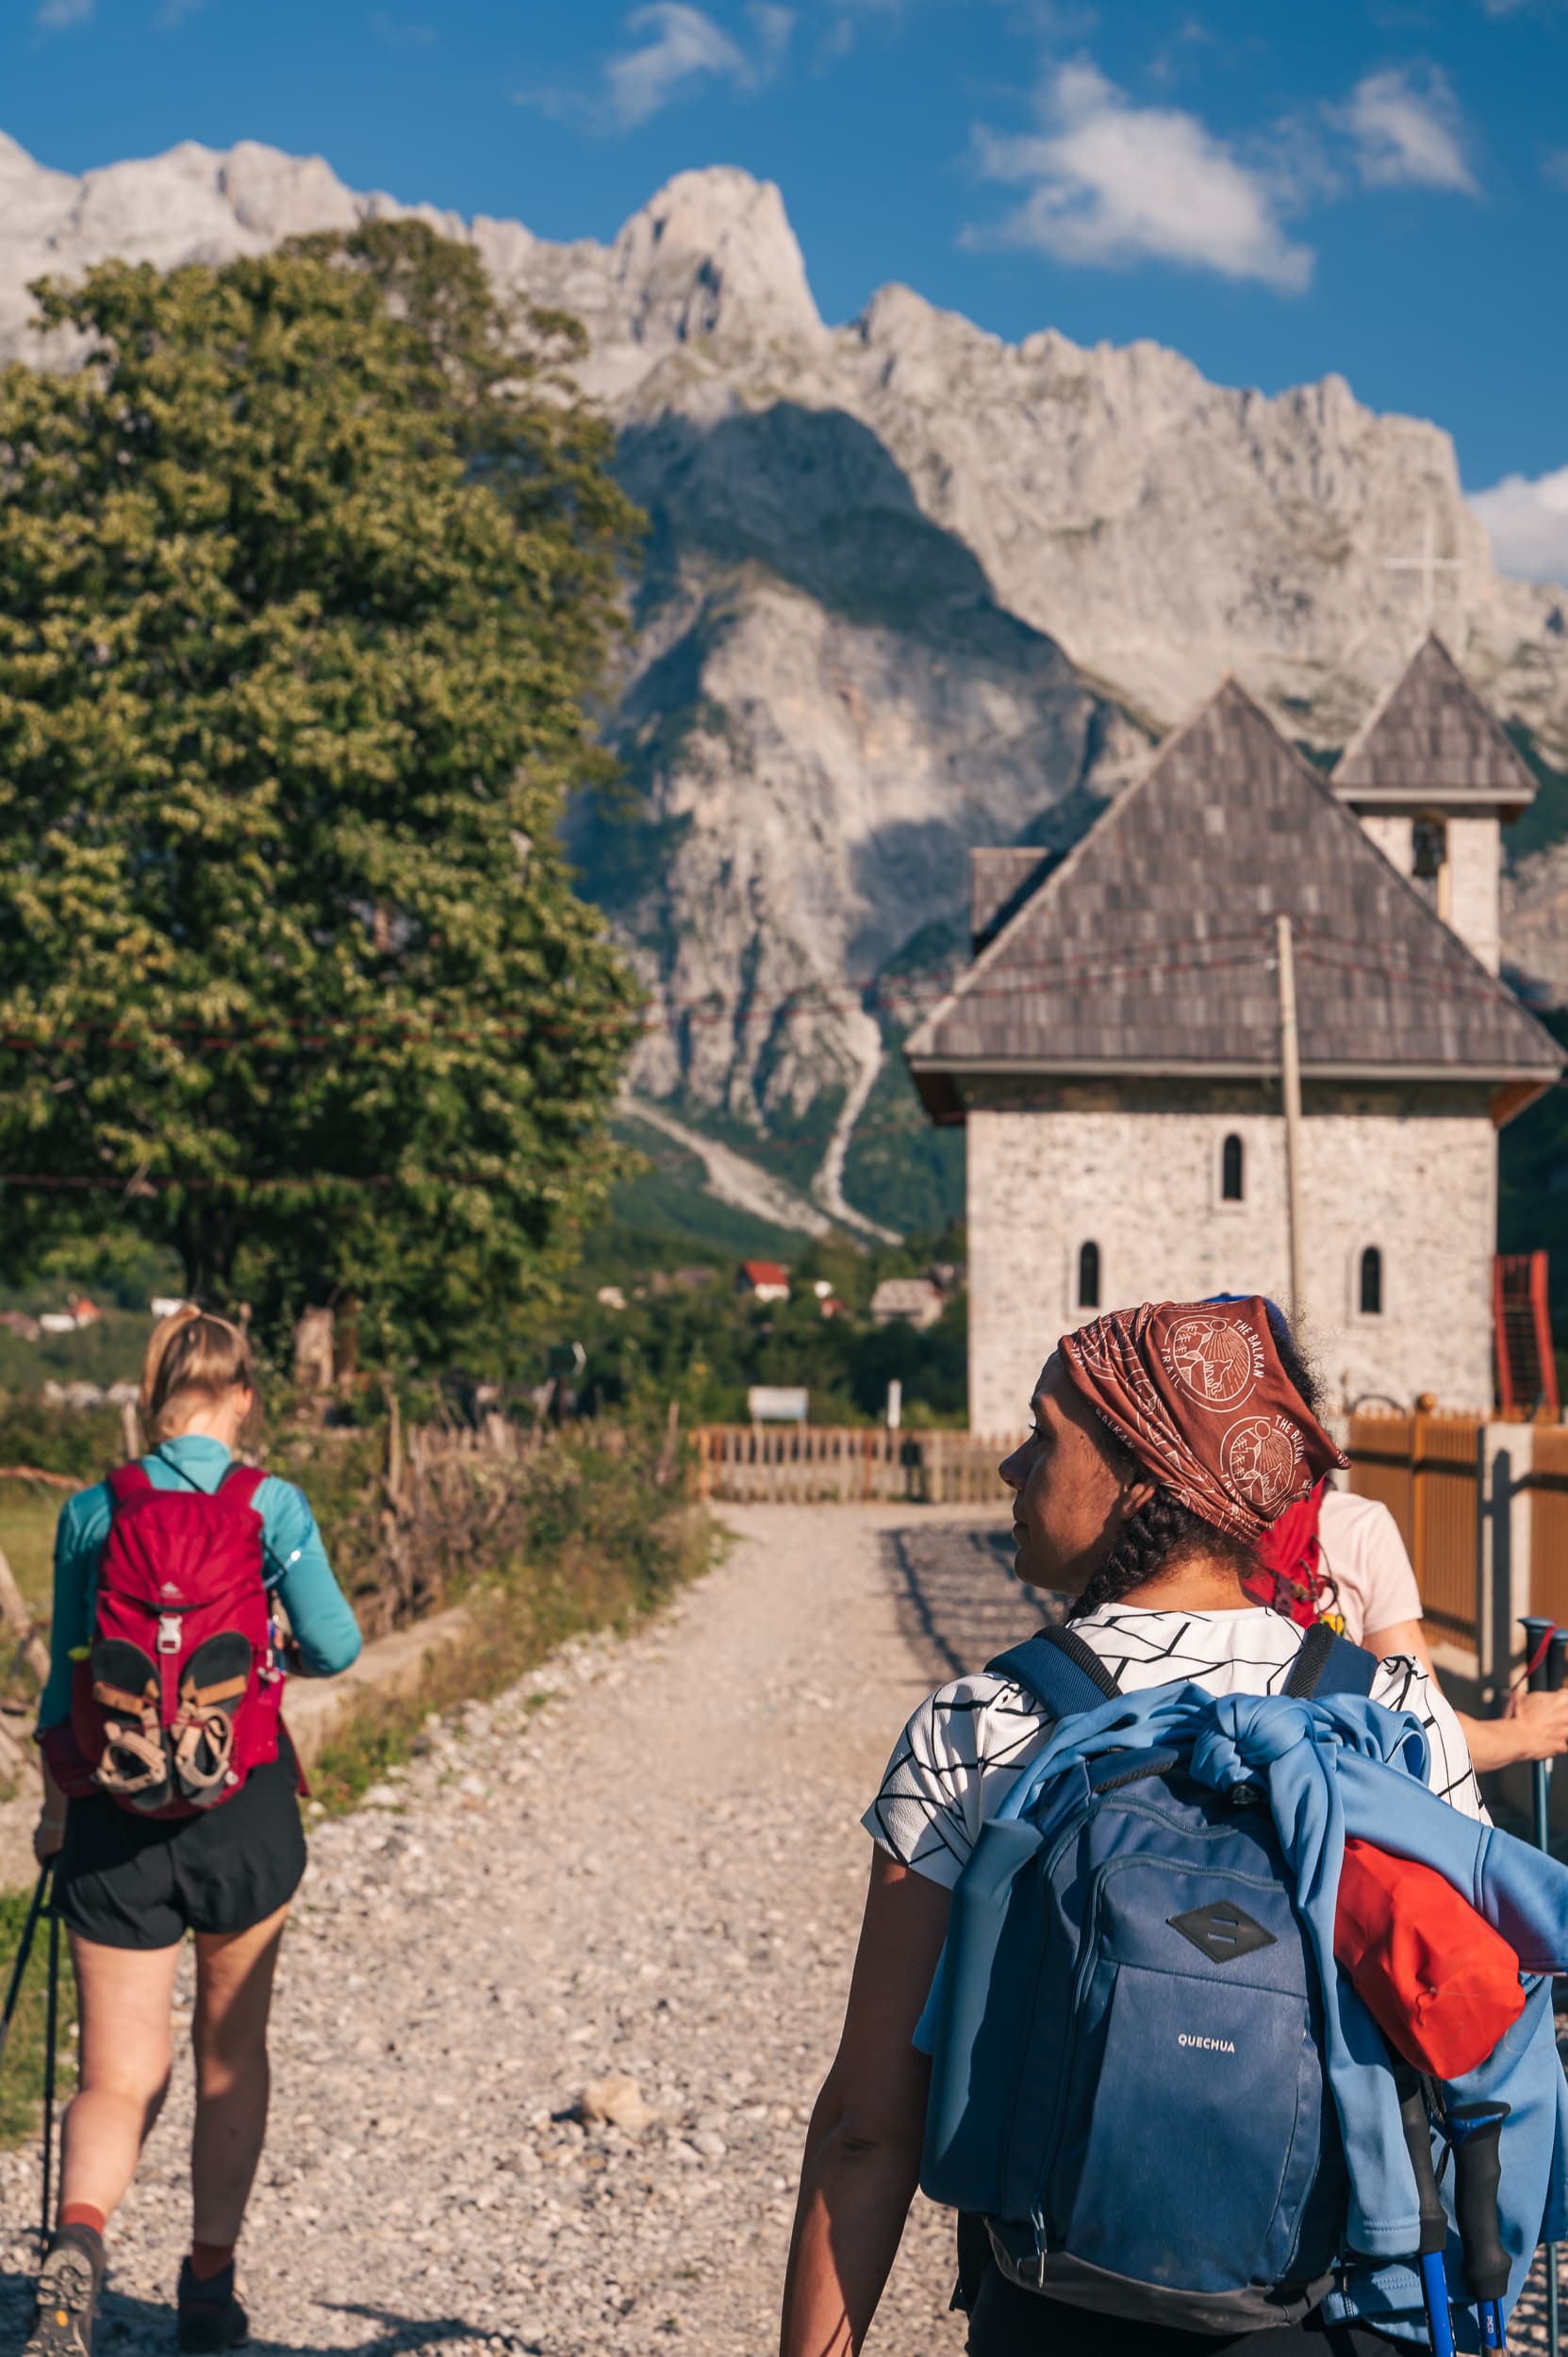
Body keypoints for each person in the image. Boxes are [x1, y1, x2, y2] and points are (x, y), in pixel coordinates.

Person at [779, 1296, 1485, 2357]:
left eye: (1042, 1438)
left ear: (1148, 1476)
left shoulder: (981, 1724)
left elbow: (868, 2126)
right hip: (1336, 2319)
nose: (1013, 1472)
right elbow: (1473, 2040)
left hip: (1058, 2312)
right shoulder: (1393, 1713)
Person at [27, 1308, 362, 2357]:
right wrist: (266, 1669)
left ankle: (77, 2247)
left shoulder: (91, 1511)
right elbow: (339, 1644)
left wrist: (53, 1810)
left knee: (113, 2075)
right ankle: (207, 2293)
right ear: (245, 1395)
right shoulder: (274, 1504)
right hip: (242, 1810)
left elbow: (59, 1684)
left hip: (112, 1813)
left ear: (149, 1393)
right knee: (229, 2056)